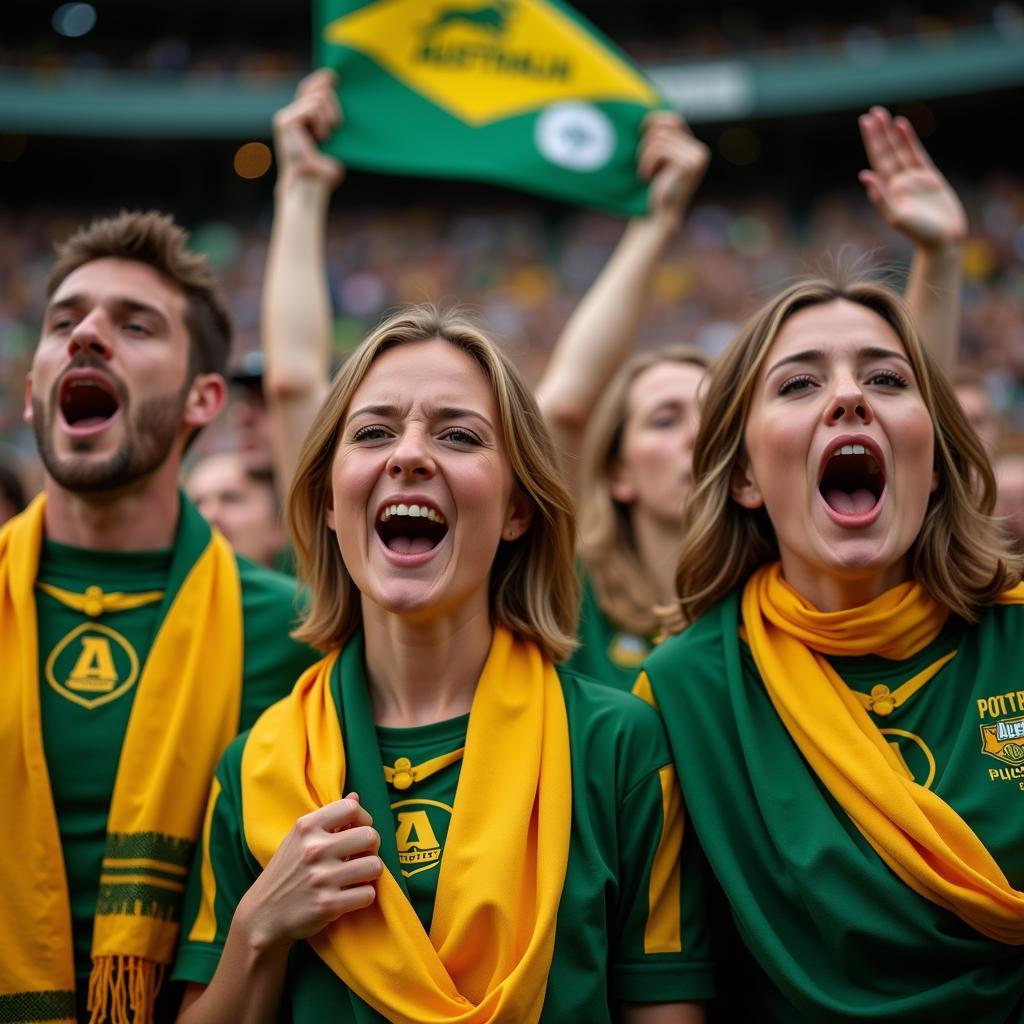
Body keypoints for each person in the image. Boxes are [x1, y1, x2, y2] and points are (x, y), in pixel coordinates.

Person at [172, 306, 713, 1023]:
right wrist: (259, 928)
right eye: (373, 433)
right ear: (329, 501)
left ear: (518, 508)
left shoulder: (619, 747)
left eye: (458, 435)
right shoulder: (258, 768)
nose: (410, 455)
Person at [637, 274, 1024, 1021]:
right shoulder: (680, 699)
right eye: (799, 383)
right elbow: (669, 990)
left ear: (937, 461)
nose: (849, 399)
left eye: (885, 378)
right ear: (745, 474)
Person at [0, 211, 317, 1024]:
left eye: (135, 325)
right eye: (64, 321)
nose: (88, 336)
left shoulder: (286, 633)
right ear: (33, 390)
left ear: (201, 399)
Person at [540, 105, 968, 689]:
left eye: (715, 416)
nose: (698, 435)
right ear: (617, 474)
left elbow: (911, 427)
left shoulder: (787, 589)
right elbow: (562, 410)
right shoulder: (571, 594)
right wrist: (656, 221)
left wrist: (940, 256)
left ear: (748, 463)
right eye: (664, 421)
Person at [185, 450, 285, 569]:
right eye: (197, 504)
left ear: (278, 524)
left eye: (231, 499)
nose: (208, 514)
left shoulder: (304, 587)